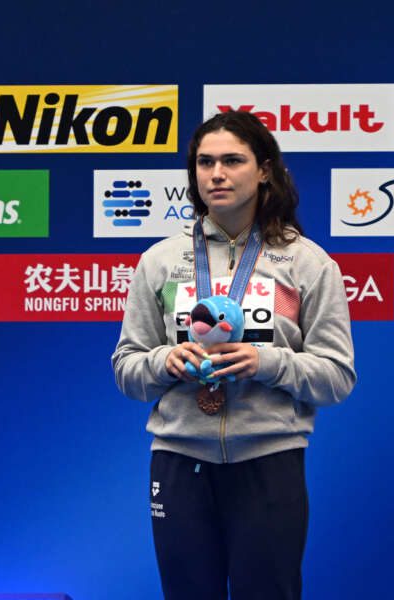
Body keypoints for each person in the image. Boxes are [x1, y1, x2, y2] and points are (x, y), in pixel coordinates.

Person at [111, 111, 356, 600]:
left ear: (264, 170)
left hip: (269, 463)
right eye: (205, 162)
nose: (216, 174)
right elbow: (127, 367)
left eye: (231, 160)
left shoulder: (307, 262)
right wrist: (163, 363)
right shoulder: (158, 261)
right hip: (180, 462)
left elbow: (337, 376)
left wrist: (267, 363)